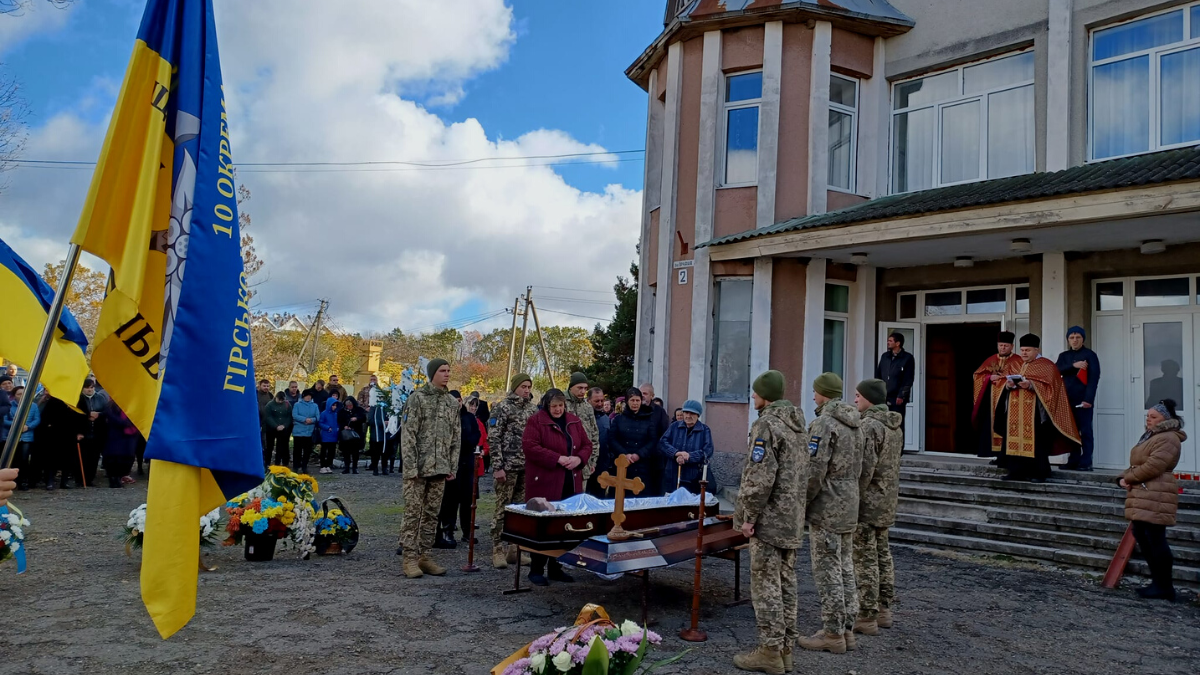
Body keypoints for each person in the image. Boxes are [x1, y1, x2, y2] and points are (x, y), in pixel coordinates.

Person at [732, 371, 806, 674]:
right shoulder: (798, 426)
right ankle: (785, 650)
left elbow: (759, 478)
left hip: (769, 519)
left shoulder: (767, 425)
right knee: (787, 583)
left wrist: (748, 517)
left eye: (755, 392)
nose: (752, 397)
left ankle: (769, 651)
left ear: (766, 394)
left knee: (766, 585)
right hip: (791, 519)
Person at [799, 373, 863, 655]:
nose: (813, 396)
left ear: (823, 393)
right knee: (846, 567)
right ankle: (847, 629)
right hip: (849, 501)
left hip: (827, 505)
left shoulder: (823, 424)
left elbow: (814, 471)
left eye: (815, 392)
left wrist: (802, 502)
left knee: (828, 571)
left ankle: (832, 633)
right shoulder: (856, 423)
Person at [521, 388, 593, 586]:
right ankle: (536, 569)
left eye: (561, 405)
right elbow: (530, 446)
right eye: (554, 406)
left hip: (570, 481)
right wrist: (557, 458)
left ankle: (556, 566)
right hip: (545, 481)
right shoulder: (536, 421)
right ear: (547, 405)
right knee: (543, 525)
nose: (558, 409)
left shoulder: (574, 421)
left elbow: (588, 444)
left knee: (564, 526)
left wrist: (579, 458)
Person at [398, 358, 459, 579]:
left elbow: (455, 437)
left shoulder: (451, 403)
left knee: (432, 515)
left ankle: (425, 556)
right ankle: (409, 558)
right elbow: (408, 435)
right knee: (413, 514)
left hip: (440, 468)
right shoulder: (417, 399)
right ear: (432, 373)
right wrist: (411, 467)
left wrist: (452, 466)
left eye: (449, 371)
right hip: (418, 469)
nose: (447, 374)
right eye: (442, 371)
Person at [850, 379, 903, 635]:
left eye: (858, 395)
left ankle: (866, 614)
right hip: (886, 499)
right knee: (883, 555)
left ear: (869, 398)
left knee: (864, 558)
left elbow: (864, 469)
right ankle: (883, 609)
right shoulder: (894, 425)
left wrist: (852, 499)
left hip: (868, 503)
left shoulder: (870, 426)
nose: (855, 399)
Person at [993, 334, 1080, 482]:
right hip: (1014, 412)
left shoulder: (1047, 366)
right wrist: (1007, 385)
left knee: (1037, 443)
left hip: (1035, 413)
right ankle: (1015, 472)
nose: (1024, 353)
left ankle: (1039, 473)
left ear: (1036, 349)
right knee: (1013, 440)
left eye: (1027, 350)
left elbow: (1053, 388)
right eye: (1022, 350)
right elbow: (1002, 383)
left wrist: (1032, 385)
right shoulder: (1014, 364)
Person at [1121, 399, 1184, 602]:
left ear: (1165, 419)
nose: (1149, 419)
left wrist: (1129, 478)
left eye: (1154, 416)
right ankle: (1158, 583)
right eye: (1148, 416)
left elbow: (1154, 466)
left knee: (1155, 538)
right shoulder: (1150, 436)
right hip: (1145, 491)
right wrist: (1122, 478)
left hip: (1157, 492)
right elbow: (1139, 464)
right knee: (1141, 533)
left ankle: (1164, 586)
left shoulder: (1168, 438)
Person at [489, 373, 537, 569]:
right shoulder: (502, 408)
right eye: (523, 386)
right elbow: (494, 438)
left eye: (529, 387)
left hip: (526, 467)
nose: (526, 390)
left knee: (520, 509)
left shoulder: (533, 409)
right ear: (515, 387)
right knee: (503, 508)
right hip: (507, 467)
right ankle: (497, 549)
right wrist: (498, 466)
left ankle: (515, 549)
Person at [438, 393, 482, 549]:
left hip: (467, 463)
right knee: (450, 500)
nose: (456, 404)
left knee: (468, 499)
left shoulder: (469, 417)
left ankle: (467, 531)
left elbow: (477, 434)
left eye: (458, 401)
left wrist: (467, 442)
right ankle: (448, 530)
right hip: (451, 464)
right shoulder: (444, 417)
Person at [1057, 326, 1100, 471]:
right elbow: (1056, 371)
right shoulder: (1064, 356)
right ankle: (1073, 460)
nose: (1075, 340)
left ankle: (1086, 461)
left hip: (1083, 401)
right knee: (1071, 432)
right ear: (1068, 340)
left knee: (1085, 431)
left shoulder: (1090, 355)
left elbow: (1094, 379)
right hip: (1067, 399)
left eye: (1078, 337)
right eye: (1072, 338)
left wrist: (1088, 399)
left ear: (1083, 339)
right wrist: (1073, 365)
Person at [608, 388, 661, 497]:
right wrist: (624, 454)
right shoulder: (618, 420)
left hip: (642, 465)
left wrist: (639, 455)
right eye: (632, 400)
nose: (635, 403)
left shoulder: (649, 419)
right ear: (627, 401)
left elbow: (652, 440)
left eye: (637, 400)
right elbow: (612, 439)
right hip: (622, 463)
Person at [972, 332, 1017, 459]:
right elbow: (977, 376)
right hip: (992, 400)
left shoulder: (1018, 360)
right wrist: (989, 377)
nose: (1003, 348)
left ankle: (1005, 455)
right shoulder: (991, 360)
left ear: (1012, 346)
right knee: (990, 424)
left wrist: (1003, 380)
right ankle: (992, 453)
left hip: (1010, 399)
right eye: (1001, 345)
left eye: (1006, 346)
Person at [657, 399, 714, 494]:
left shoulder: (704, 430)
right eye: (686, 412)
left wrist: (689, 456)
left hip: (694, 476)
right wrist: (676, 453)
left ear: (698, 415)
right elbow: (663, 443)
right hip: (672, 474)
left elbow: (708, 450)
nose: (688, 416)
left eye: (692, 413)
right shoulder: (674, 426)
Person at [39, 389, 84, 490]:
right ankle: (49, 481)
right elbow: (46, 415)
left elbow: (83, 415)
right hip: (55, 432)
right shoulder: (55, 398)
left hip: (71, 432)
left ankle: (64, 482)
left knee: (68, 459)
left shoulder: (78, 398)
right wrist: (48, 426)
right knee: (51, 458)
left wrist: (81, 431)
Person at [875, 332, 915, 435]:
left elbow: (908, 379)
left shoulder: (907, 358)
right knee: (883, 423)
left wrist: (902, 395)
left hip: (897, 398)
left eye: (890, 341)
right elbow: (878, 375)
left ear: (898, 343)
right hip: (884, 397)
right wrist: (877, 393)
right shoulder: (885, 356)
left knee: (897, 425)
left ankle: (898, 450)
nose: (888, 342)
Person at [565, 372, 601, 485]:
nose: (583, 391)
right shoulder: (561, 403)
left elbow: (594, 434)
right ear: (571, 387)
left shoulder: (587, 407)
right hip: (565, 461)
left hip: (584, 462)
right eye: (579, 388)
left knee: (580, 497)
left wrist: (593, 461)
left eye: (585, 388)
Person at [2, 386, 39, 491]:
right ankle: (11, 482)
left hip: (27, 437)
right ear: (14, 396)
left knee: (24, 460)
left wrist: (28, 426)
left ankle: (23, 481)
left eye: (24, 393)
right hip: (11, 437)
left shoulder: (34, 406)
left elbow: (37, 419)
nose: (22, 396)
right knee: (12, 460)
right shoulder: (10, 406)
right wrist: (17, 426)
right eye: (19, 394)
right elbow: (4, 420)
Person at [77, 380, 109, 486]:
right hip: (84, 434)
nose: (90, 390)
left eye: (91, 387)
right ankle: (81, 479)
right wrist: (87, 416)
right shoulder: (78, 399)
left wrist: (98, 414)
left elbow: (107, 412)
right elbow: (75, 415)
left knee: (94, 458)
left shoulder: (101, 398)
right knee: (83, 457)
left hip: (98, 433)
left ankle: (90, 479)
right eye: (87, 388)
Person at [103, 399, 138, 488]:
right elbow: (111, 416)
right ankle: (112, 478)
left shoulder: (131, 404)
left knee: (124, 458)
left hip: (127, 435)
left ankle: (118, 477)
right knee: (113, 458)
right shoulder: (111, 406)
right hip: (115, 435)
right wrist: (126, 423)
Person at [585, 386, 613, 497]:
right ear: (589, 400)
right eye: (596, 401)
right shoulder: (583, 418)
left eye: (602, 400)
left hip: (602, 466)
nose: (600, 403)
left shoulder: (607, 419)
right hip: (586, 464)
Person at [358, 375, 389, 475]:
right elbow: (371, 421)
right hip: (375, 433)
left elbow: (389, 416)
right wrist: (381, 423)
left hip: (384, 434)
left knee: (385, 450)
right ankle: (375, 467)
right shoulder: (373, 408)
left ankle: (384, 467)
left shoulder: (384, 408)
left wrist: (388, 422)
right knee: (375, 450)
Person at [291, 389, 320, 473]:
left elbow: (318, 416)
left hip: (309, 431)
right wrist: (304, 419)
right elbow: (295, 415)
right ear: (303, 396)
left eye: (309, 396)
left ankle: (304, 466)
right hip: (298, 431)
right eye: (306, 396)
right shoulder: (297, 405)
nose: (308, 397)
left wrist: (311, 420)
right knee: (297, 451)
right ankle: (296, 466)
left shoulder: (315, 406)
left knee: (307, 451)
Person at [263, 392, 292, 469]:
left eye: (282, 400)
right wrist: (275, 426)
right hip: (271, 429)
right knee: (269, 447)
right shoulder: (269, 405)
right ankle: (267, 463)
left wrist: (284, 425)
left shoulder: (287, 405)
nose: (280, 401)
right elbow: (268, 417)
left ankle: (278, 463)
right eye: (279, 400)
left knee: (280, 447)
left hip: (282, 429)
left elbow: (289, 417)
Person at [338, 396, 366, 475]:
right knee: (345, 452)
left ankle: (355, 467)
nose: (349, 407)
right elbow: (339, 421)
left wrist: (356, 419)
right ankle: (346, 467)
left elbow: (363, 418)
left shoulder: (359, 410)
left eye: (350, 405)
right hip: (346, 435)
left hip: (356, 434)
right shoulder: (342, 411)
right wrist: (344, 426)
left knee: (355, 452)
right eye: (348, 406)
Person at [318, 398, 341, 475]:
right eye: (333, 405)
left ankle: (328, 465)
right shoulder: (324, 413)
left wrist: (337, 428)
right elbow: (320, 423)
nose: (334, 407)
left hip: (334, 435)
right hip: (326, 435)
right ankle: (322, 466)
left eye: (335, 405)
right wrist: (327, 428)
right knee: (324, 451)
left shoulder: (336, 414)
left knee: (331, 452)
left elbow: (337, 423)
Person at [256, 379, 273, 463]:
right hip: (256, 421)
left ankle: (264, 461)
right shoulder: (255, 394)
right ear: (260, 386)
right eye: (264, 386)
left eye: (267, 386)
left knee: (265, 441)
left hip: (266, 422)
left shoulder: (270, 395)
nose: (266, 387)